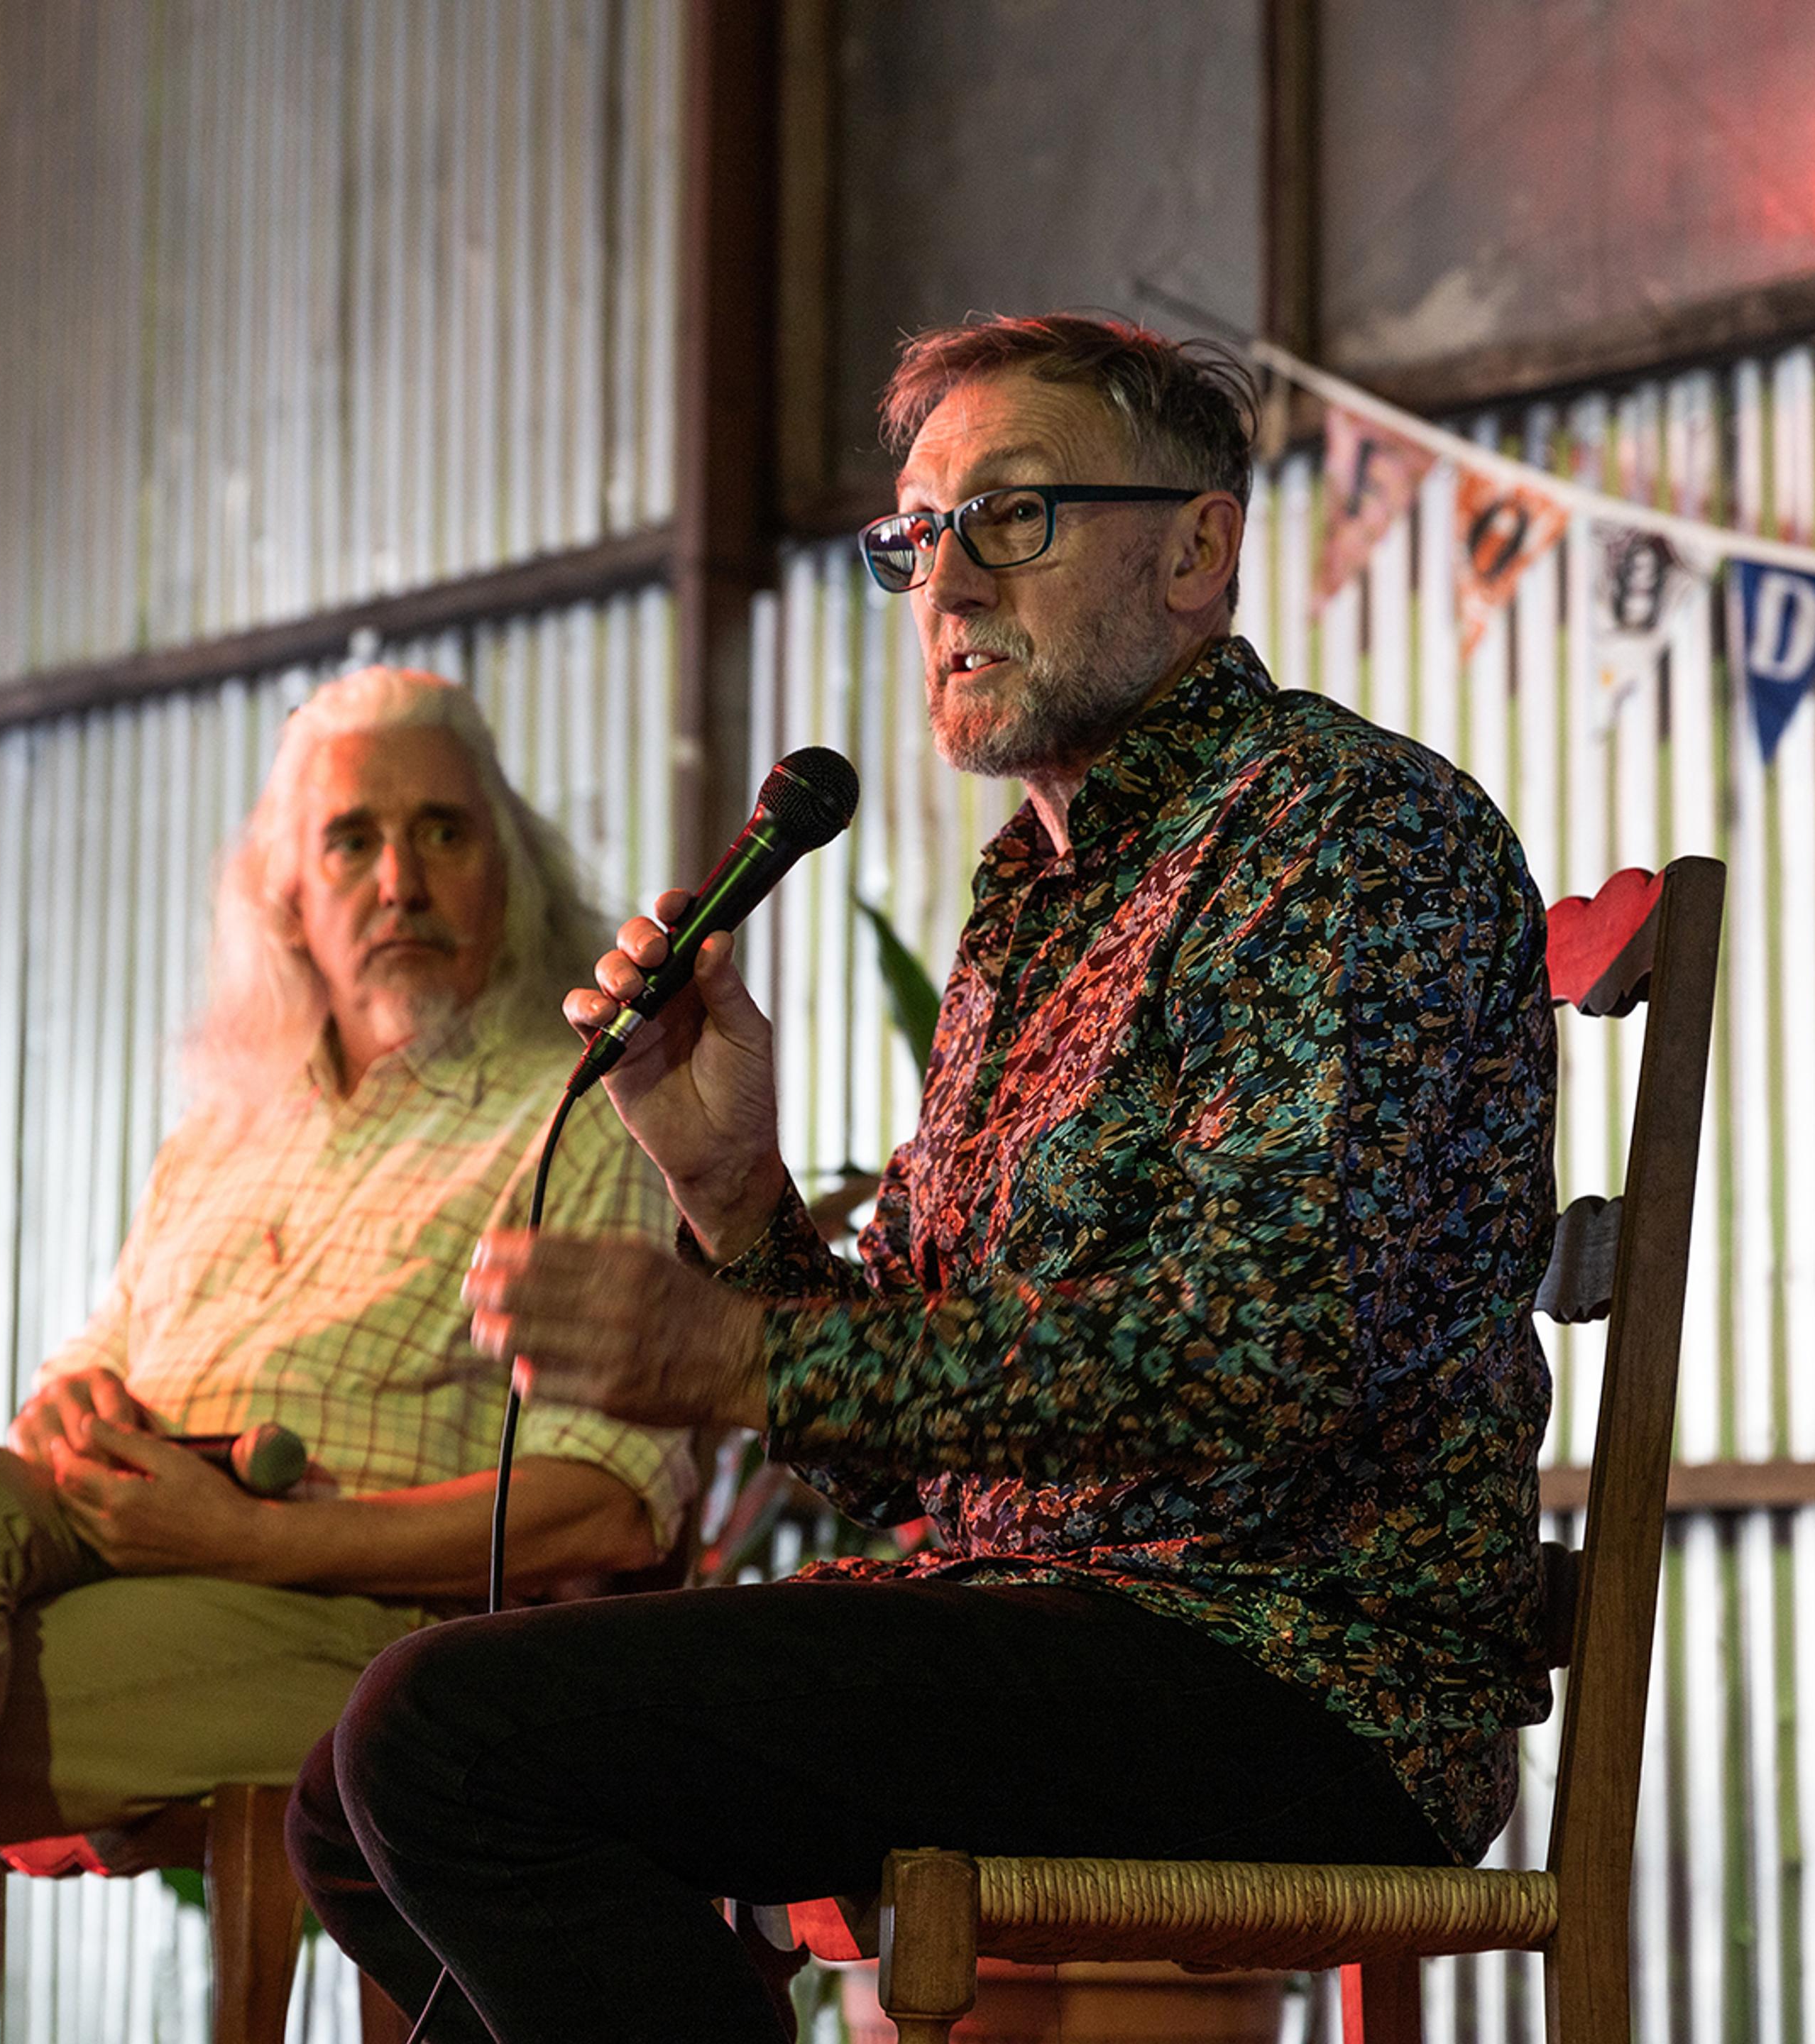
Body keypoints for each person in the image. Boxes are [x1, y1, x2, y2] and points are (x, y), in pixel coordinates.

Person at [290, 315, 1562, 2043]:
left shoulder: (1344, 836)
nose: (946, 586)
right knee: (352, 1812)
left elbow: (1255, 1364)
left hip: (1290, 1664)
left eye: (1014, 518)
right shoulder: (1024, 902)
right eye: (915, 537)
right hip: (1045, 1632)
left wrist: (735, 1356)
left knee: (449, 1743)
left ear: (1200, 547)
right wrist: (739, 1198)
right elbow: (906, 1457)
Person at [0, 668, 690, 2044]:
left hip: (362, 1626)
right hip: (127, 1543)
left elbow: (608, 1499)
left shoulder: (578, 1114)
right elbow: (95, 1358)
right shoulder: (230, 1128)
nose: (399, 880)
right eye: (351, 841)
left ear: (513, 869)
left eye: (444, 832)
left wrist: (248, 1542)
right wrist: (68, 1409)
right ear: (287, 897)